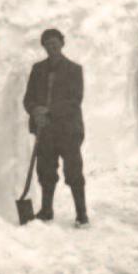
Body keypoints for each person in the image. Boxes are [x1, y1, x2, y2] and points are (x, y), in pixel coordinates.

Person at [23, 29, 89, 227]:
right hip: (45, 131)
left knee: (74, 172)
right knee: (45, 171)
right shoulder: (37, 69)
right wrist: (35, 110)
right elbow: (28, 98)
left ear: (62, 43)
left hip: (68, 130)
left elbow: (74, 100)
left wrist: (48, 112)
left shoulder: (74, 69)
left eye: (55, 43)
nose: (51, 47)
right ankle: (46, 211)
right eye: (47, 44)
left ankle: (81, 214)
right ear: (43, 46)